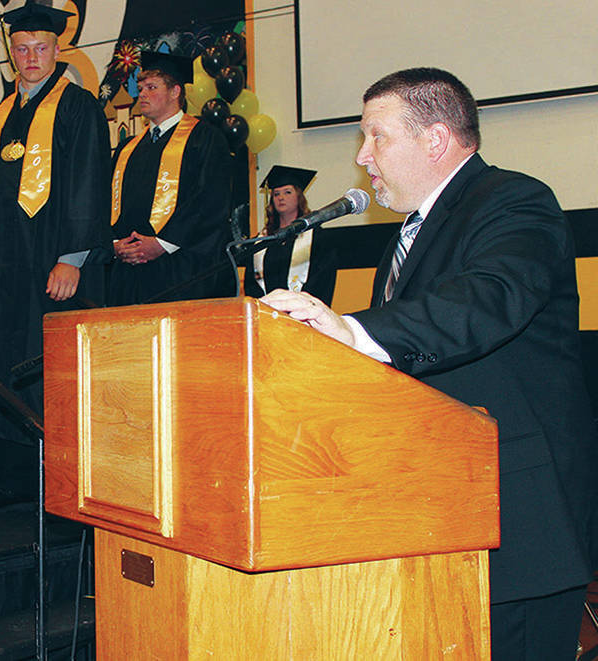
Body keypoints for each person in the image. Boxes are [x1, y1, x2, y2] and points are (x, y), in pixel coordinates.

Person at [262, 68, 597, 660]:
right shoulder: (412, 229)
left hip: (516, 519)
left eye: (376, 137)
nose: (363, 156)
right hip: (441, 509)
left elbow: (489, 298)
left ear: (436, 139)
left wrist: (355, 329)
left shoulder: (515, 200)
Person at [0, 2, 112, 513]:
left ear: (57, 49)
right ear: (10, 52)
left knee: (40, 361)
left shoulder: (77, 107)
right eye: (21, 49)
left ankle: (54, 477)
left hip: (48, 263)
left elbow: (89, 185)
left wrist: (72, 257)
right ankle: (8, 472)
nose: (30, 58)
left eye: (40, 48)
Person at [107, 51, 234, 306]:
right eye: (140, 88)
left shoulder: (205, 139)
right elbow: (105, 201)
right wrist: (116, 245)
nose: (141, 94)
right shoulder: (126, 148)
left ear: (175, 92)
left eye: (151, 87)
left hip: (182, 271)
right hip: (129, 275)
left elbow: (210, 201)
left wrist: (162, 243)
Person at [244, 165, 337, 306]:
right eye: (276, 194)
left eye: (287, 192)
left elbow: (323, 279)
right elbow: (252, 283)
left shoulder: (317, 237)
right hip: (267, 313)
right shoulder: (262, 240)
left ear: (299, 197)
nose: (281, 197)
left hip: (305, 313)